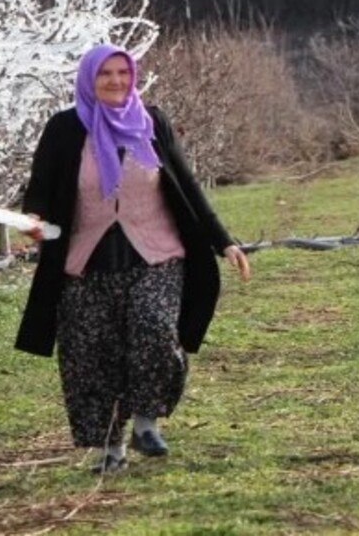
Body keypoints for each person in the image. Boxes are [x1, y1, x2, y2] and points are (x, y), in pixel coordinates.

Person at [15, 43, 251, 473]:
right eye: (105, 74)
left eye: (123, 73)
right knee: (91, 356)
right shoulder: (65, 129)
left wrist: (224, 241)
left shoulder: (151, 122)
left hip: (156, 256)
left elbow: (186, 184)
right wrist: (32, 219)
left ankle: (146, 422)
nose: (116, 81)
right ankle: (110, 450)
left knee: (156, 332)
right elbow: (41, 189)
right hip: (85, 264)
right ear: (89, 79)